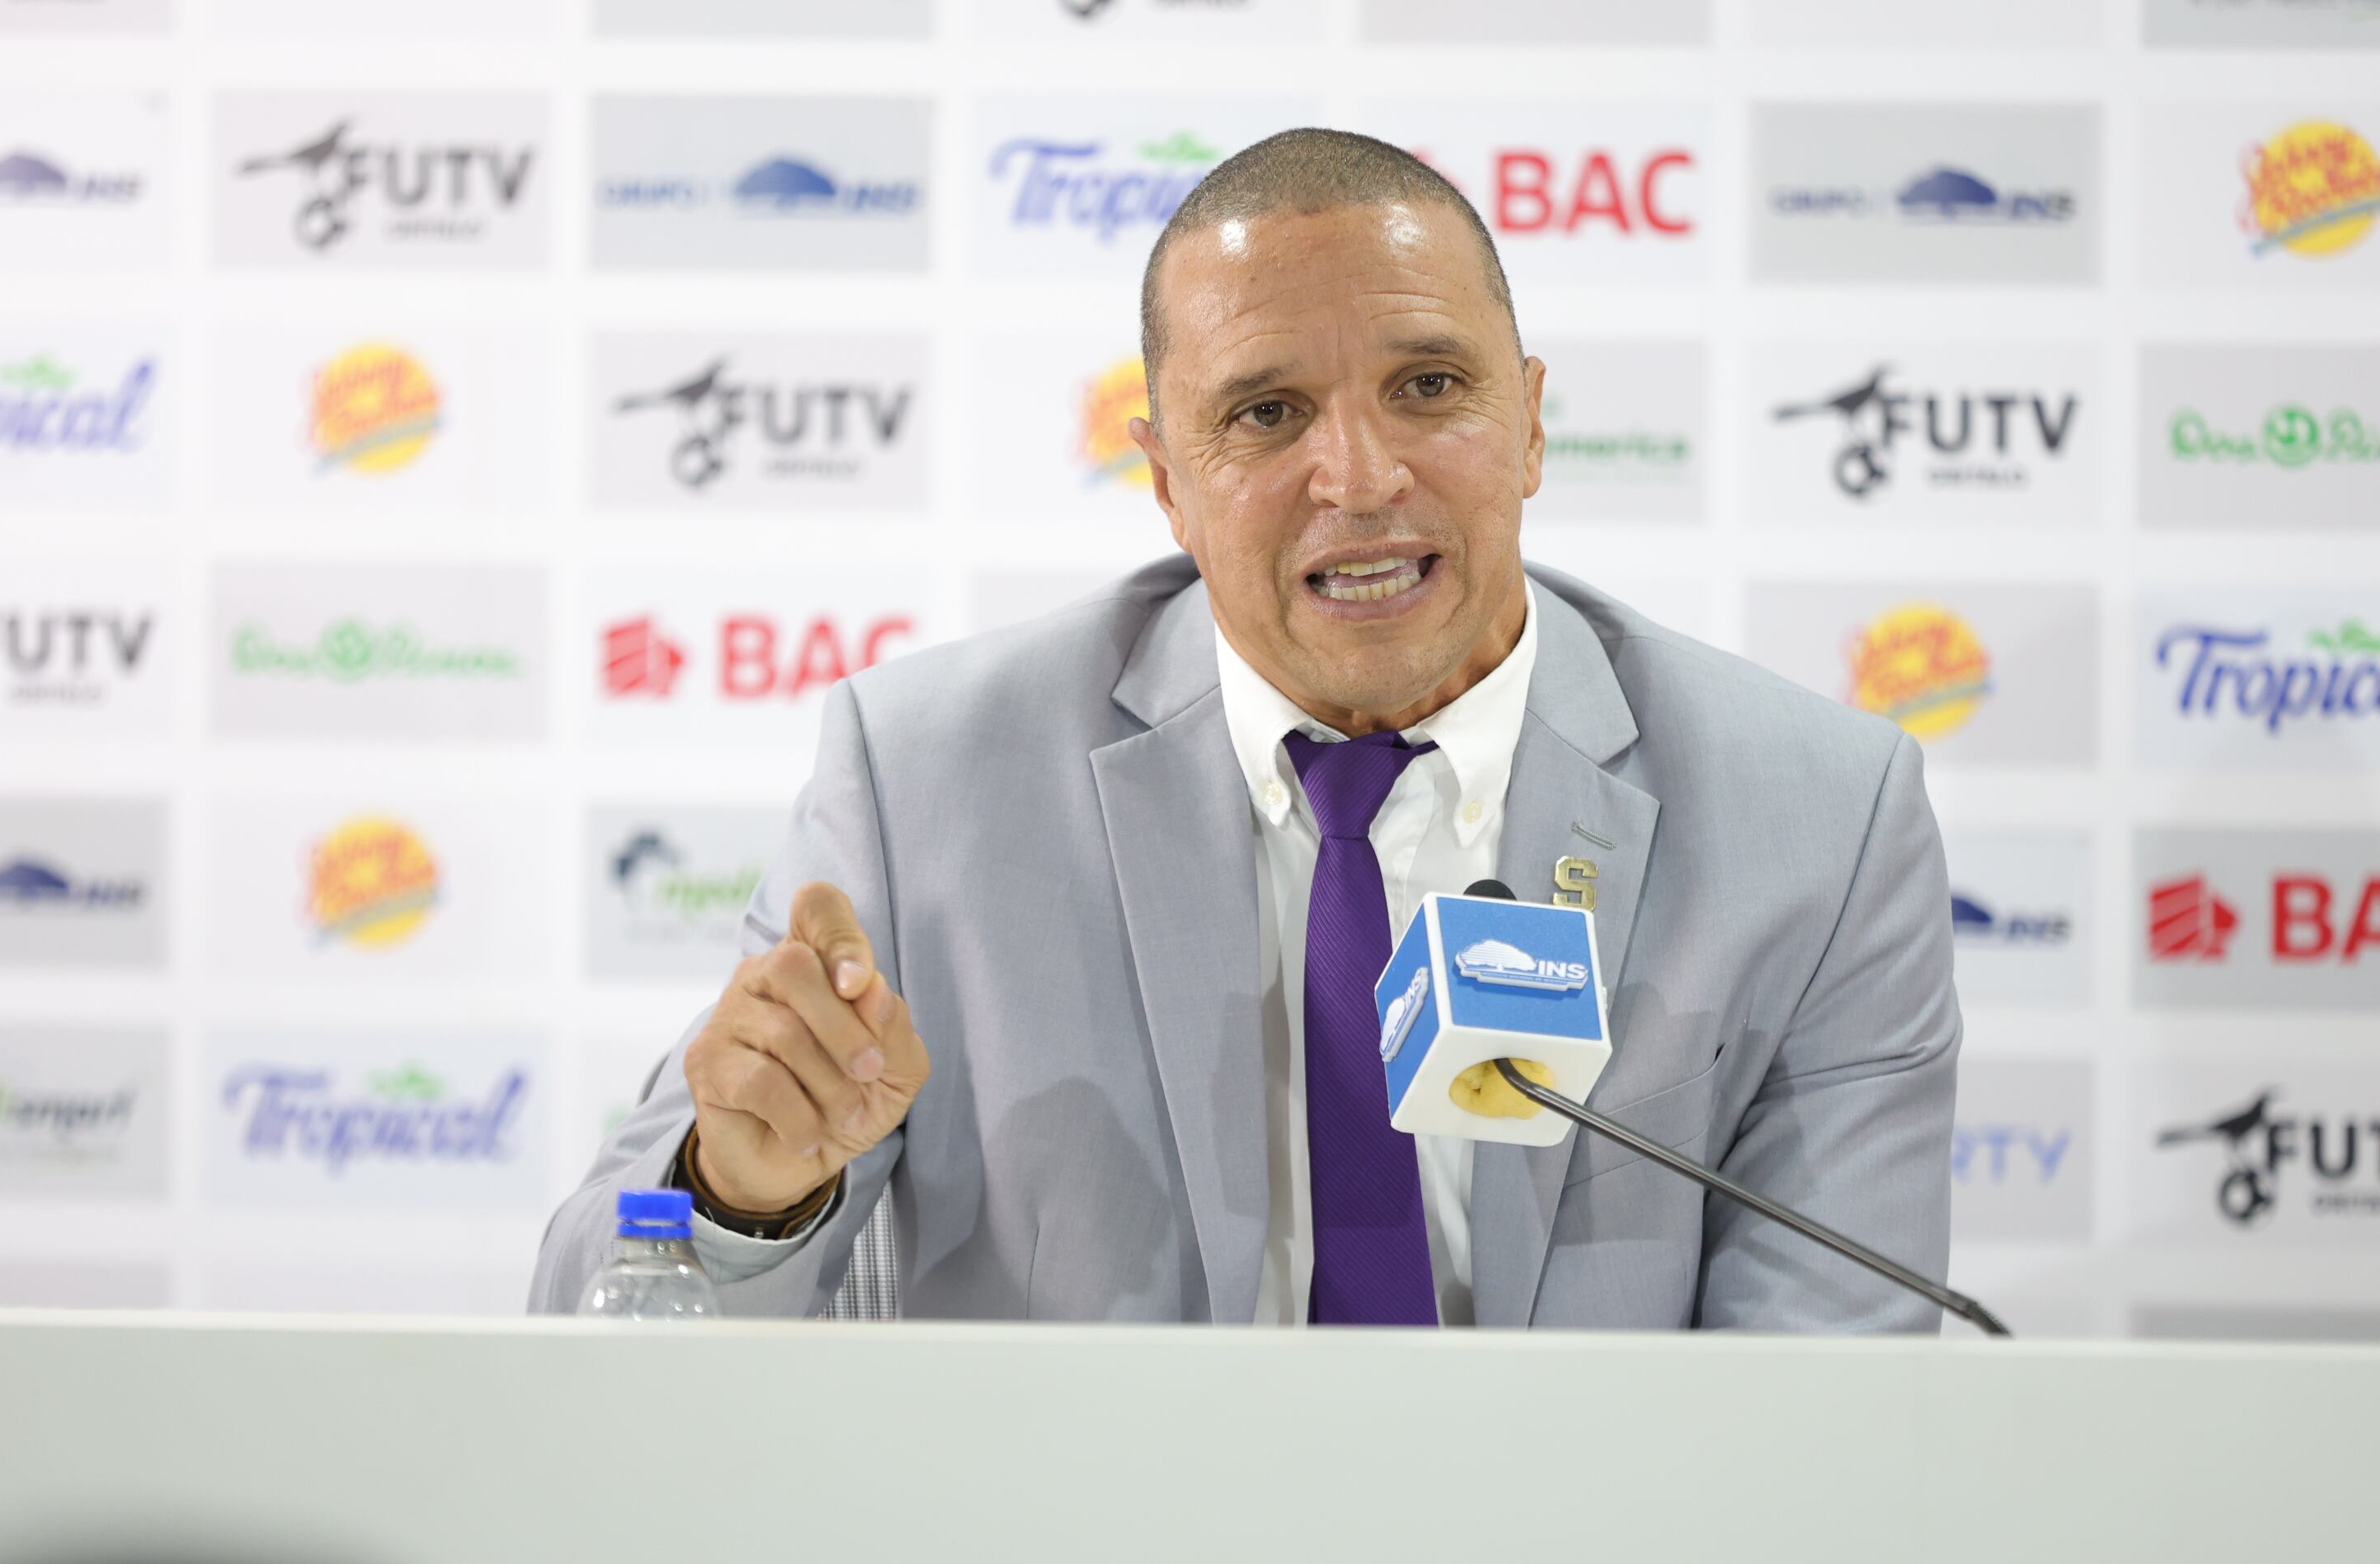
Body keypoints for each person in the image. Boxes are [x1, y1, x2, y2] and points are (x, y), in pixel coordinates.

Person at [531, 128, 1960, 1330]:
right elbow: (597, 1303)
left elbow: (1825, 1400)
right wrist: (748, 1194)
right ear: (1169, 479)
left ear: (1530, 426)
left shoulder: (1819, 821)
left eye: (1430, 387)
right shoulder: (926, 785)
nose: (1359, 476)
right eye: (1267, 414)